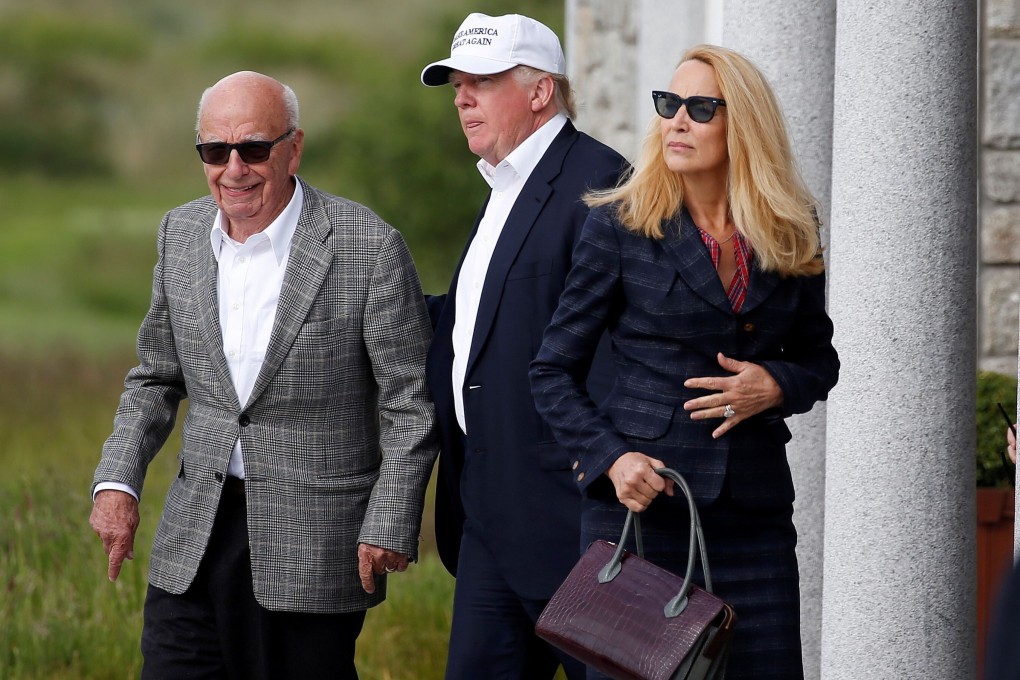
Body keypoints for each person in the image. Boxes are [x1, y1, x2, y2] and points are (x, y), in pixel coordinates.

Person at [88, 71, 438, 680]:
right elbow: (154, 378)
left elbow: (411, 401)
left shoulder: (368, 246)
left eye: (253, 148)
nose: (234, 168)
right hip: (196, 535)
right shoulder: (179, 234)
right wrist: (117, 482)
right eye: (214, 151)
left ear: (293, 148)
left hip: (315, 543)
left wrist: (390, 519)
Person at [530, 44, 840, 679]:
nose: (677, 122)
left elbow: (819, 358)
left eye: (701, 109)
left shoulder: (789, 226)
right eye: (669, 105)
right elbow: (552, 370)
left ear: (743, 124)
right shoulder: (621, 223)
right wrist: (612, 459)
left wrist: (774, 385)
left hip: (755, 520)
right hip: (644, 516)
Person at [419, 12, 627, 680]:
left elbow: (625, 348)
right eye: (456, 84)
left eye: (482, 81)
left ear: (541, 92)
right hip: (486, 514)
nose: (462, 97)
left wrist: (598, 465)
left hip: (572, 522)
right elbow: (479, 328)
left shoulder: (600, 183)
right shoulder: (503, 186)